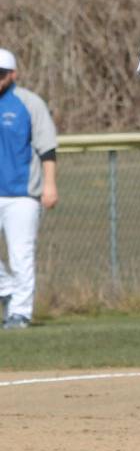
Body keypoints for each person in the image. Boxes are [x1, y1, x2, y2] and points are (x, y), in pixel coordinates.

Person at [0, 48, 58, 329]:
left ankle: (20, 313)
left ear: (13, 74)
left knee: (21, 254)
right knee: (15, 262)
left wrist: (49, 185)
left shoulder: (28, 103)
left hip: (22, 194)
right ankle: (7, 289)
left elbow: (47, 148)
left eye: (0, 74)